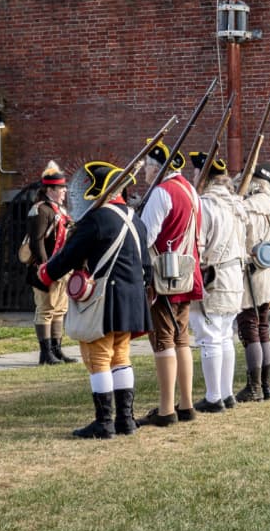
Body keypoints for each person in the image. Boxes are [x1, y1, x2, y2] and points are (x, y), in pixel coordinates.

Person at [38, 161, 153, 439]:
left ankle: (105, 422)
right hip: (131, 295)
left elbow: (70, 256)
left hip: (104, 296)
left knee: (98, 357)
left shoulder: (97, 219)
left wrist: (47, 273)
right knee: (121, 355)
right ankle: (125, 419)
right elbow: (146, 266)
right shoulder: (134, 218)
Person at [137, 141, 202, 427]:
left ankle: (165, 409)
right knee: (181, 338)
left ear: (158, 167)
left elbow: (147, 238)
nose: (145, 173)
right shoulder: (191, 191)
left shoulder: (161, 193)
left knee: (163, 339)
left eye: (148, 167)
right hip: (186, 272)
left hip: (164, 275)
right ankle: (186, 403)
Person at [188, 152, 246, 413]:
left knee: (210, 336)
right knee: (224, 336)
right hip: (235, 276)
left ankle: (214, 397)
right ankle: (226, 393)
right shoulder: (236, 204)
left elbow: (198, 244)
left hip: (215, 277)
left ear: (203, 176)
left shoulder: (205, 205)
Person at [236, 163, 270, 402]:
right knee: (264, 327)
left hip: (250, 272)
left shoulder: (244, 207)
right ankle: (265, 385)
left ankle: (255, 386)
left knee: (250, 328)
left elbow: (238, 241)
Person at [27, 161, 75, 364]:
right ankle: (45, 352)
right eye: (61, 188)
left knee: (60, 310)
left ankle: (57, 349)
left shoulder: (60, 211)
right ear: (50, 189)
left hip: (61, 268)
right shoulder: (40, 210)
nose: (64, 191)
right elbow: (37, 241)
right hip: (44, 268)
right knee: (46, 310)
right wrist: (45, 267)